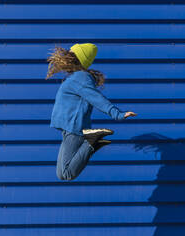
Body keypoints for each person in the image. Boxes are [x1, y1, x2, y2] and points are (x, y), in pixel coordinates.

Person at [45, 43, 137, 181]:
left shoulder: (81, 78)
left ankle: (91, 142)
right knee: (61, 174)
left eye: (71, 54)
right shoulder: (77, 77)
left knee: (67, 174)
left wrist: (116, 113)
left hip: (73, 126)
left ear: (78, 59)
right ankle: (93, 144)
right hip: (68, 128)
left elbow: (96, 98)